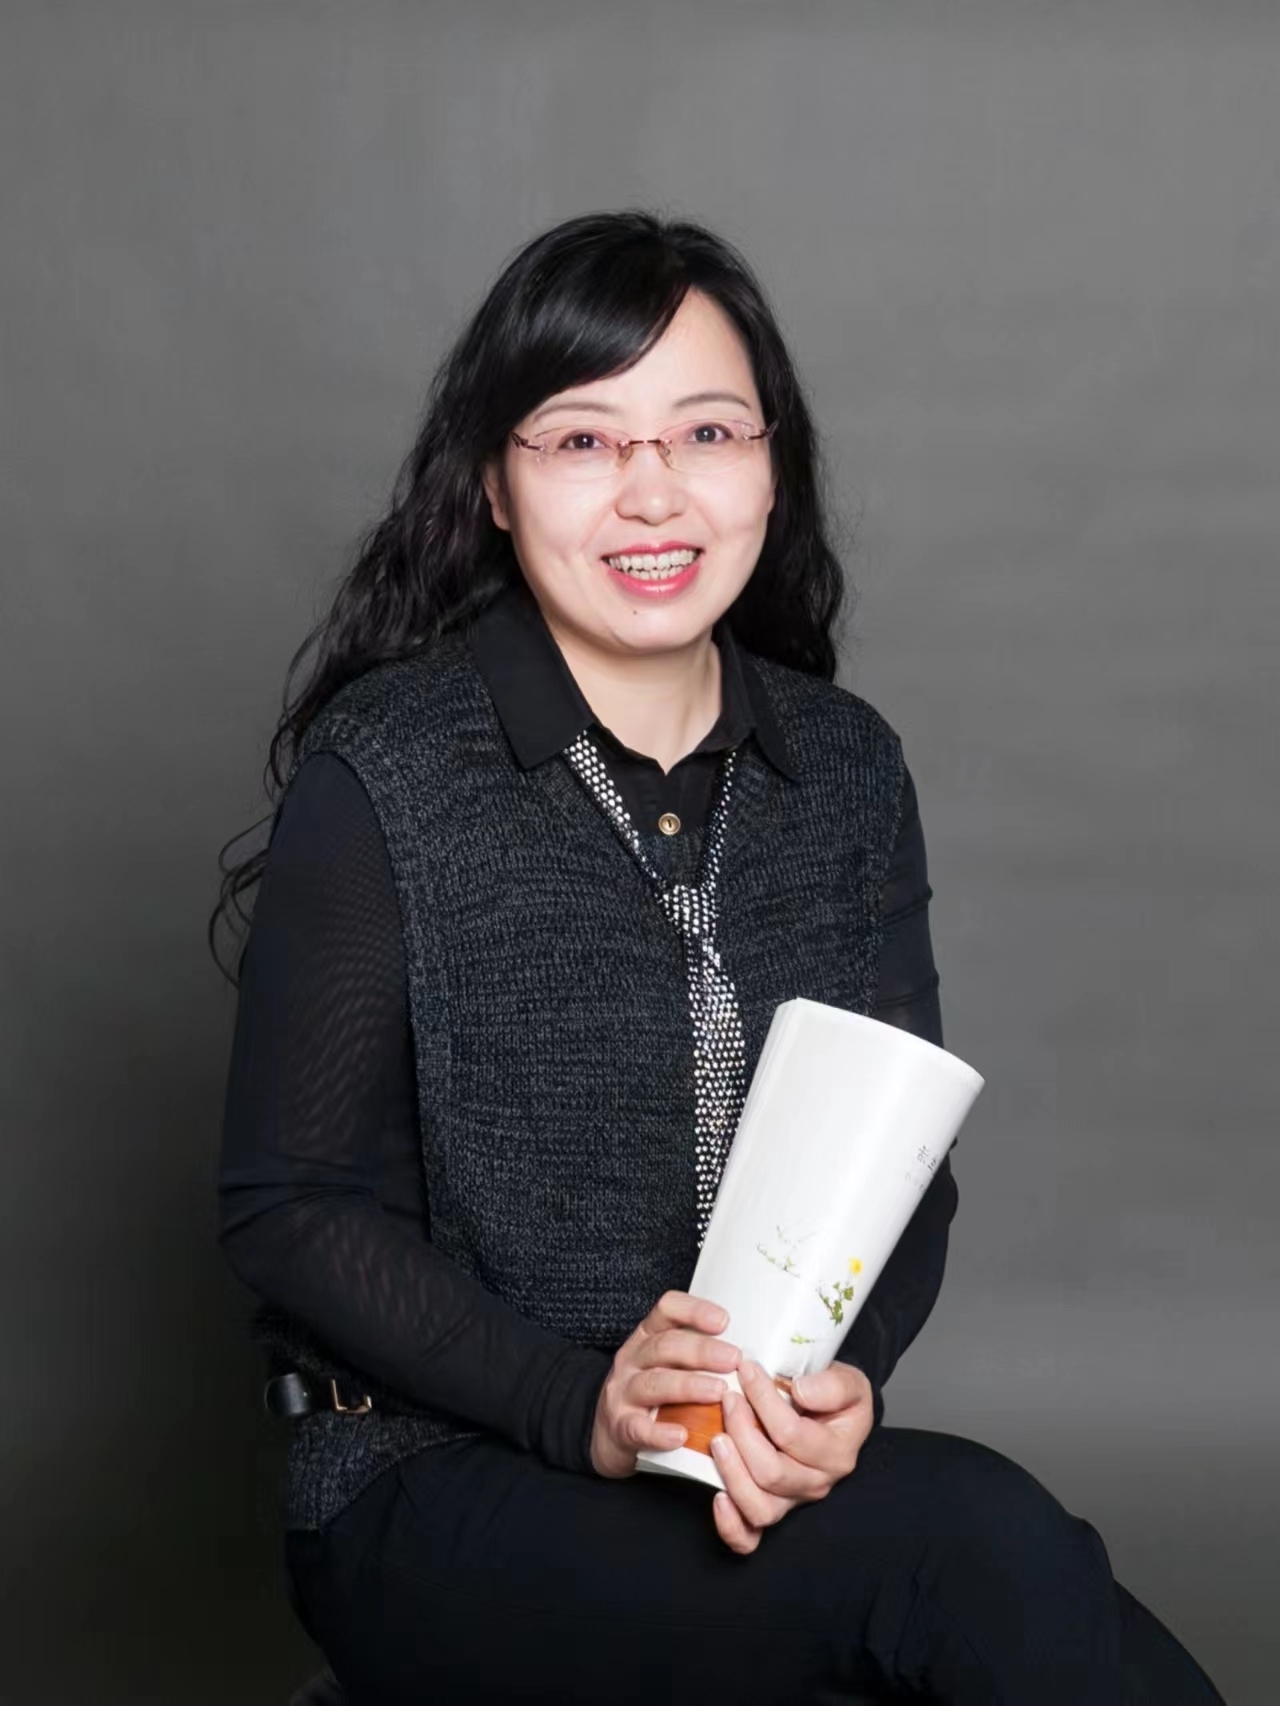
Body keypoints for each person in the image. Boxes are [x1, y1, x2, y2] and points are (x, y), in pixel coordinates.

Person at [212, 209, 1223, 1706]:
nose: (654, 490)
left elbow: (907, 1170)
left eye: (705, 431)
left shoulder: (845, 768)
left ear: (771, 463)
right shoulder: (389, 772)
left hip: (734, 1473)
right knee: (977, 1551)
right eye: (582, 439)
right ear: (494, 481)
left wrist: (838, 1387)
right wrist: (580, 1402)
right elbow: (289, 1208)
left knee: (1023, 1592)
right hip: (430, 1485)